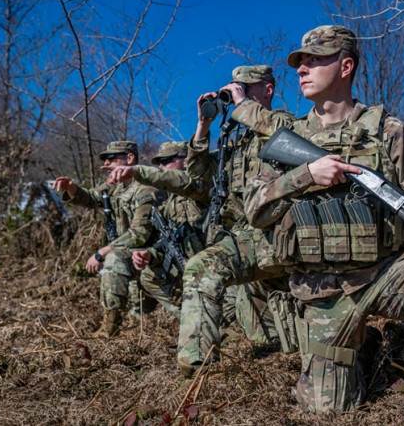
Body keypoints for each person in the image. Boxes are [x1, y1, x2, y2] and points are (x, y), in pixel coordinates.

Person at [235, 26, 404, 424]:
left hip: (386, 271)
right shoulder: (287, 138)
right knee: (328, 410)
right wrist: (306, 175)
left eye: (315, 60)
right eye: (300, 62)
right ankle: (363, 345)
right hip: (322, 289)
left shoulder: (387, 131)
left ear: (346, 66)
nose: (302, 69)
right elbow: (255, 209)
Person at [109, 65, 295, 377]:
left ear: (268, 90)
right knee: (267, 336)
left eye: (245, 88)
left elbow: (284, 134)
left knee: (201, 269)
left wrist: (242, 105)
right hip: (245, 239)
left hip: (277, 235)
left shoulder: (284, 124)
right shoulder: (236, 143)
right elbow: (196, 179)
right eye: (234, 88)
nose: (237, 93)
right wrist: (203, 126)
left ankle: (196, 369)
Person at [53, 140, 158, 337]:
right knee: (140, 312)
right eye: (105, 160)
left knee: (113, 260)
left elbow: (139, 233)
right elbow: (91, 197)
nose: (106, 164)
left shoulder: (146, 188)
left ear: (130, 158)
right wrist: (71, 187)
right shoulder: (117, 187)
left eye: (111, 158)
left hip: (152, 253)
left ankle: (110, 328)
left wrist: (103, 252)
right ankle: (128, 320)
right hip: (131, 252)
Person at [126, 141, 204, 317]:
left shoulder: (202, 187)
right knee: (148, 275)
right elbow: (169, 242)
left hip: (210, 263)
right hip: (186, 263)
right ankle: (188, 316)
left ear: (186, 160)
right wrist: (149, 254)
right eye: (159, 163)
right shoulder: (168, 201)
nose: (162, 167)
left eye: (167, 160)